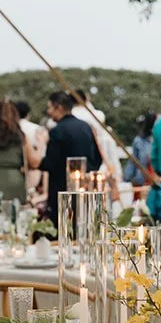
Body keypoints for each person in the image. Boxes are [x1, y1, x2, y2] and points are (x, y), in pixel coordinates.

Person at [39, 91, 101, 225]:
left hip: (62, 192)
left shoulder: (57, 130)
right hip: (85, 191)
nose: (49, 112)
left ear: (59, 107)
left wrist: (38, 156)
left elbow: (50, 163)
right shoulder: (86, 127)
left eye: (50, 107)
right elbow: (97, 158)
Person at [72, 88, 122, 197]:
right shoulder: (96, 115)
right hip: (98, 165)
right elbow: (110, 154)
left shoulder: (72, 116)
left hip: (75, 167)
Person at [124, 112, 156, 185]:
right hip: (142, 181)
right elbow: (133, 161)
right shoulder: (139, 141)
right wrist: (126, 178)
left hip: (158, 182)